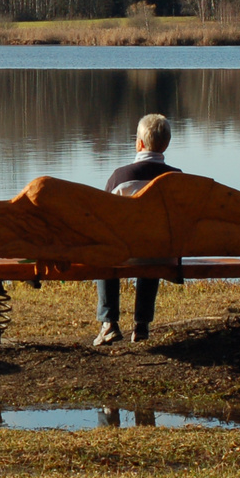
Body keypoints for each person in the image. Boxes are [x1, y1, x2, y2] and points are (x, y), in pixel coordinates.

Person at [94, 113, 180, 346]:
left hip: (123, 254)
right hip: (162, 254)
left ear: (139, 143)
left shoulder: (121, 177)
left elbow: (103, 220)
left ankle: (109, 322)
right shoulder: (178, 179)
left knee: (106, 251)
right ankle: (141, 325)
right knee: (154, 245)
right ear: (166, 144)